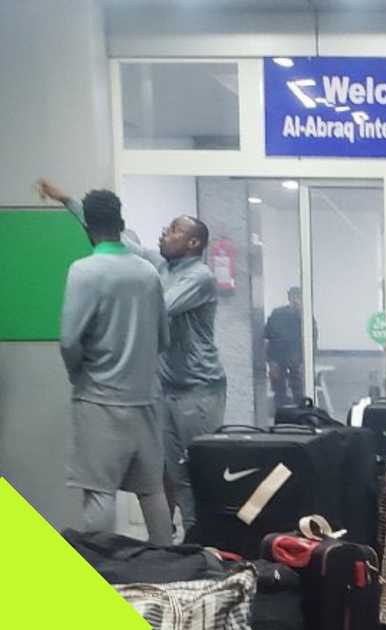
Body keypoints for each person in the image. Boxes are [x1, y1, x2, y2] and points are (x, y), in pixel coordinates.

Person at [41, 178, 227, 534]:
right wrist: (68, 199)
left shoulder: (198, 277)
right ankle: (173, 551)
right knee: (163, 479)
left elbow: (156, 308)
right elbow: (113, 238)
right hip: (159, 391)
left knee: (195, 476)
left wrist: (81, 369)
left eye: (172, 230)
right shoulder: (154, 268)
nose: (163, 234)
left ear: (193, 243)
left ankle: (201, 545)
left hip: (198, 392)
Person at [51, 187, 173, 545]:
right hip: (146, 400)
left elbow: (69, 340)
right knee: (152, 492)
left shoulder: (84, 271)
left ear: (87, 227)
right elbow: (164, 338)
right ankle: (168, 569)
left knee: (100, 491)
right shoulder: (148, 273)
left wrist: (79, 375)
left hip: (99, 400)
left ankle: (102, 576)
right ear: (121, 224)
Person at [264, 286, 315, 409]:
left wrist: (307, 362)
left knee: (300, 392)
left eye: (299, 297)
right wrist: (270, 361)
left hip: (298, 359)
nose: (296, 300)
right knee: (279, 392)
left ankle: (302, 417)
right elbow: (267, 336)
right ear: (289, 297)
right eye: (293, 296)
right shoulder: (277, 314)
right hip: (278, 358)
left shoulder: (306, 317)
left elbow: (313, 339)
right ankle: (281, 416)